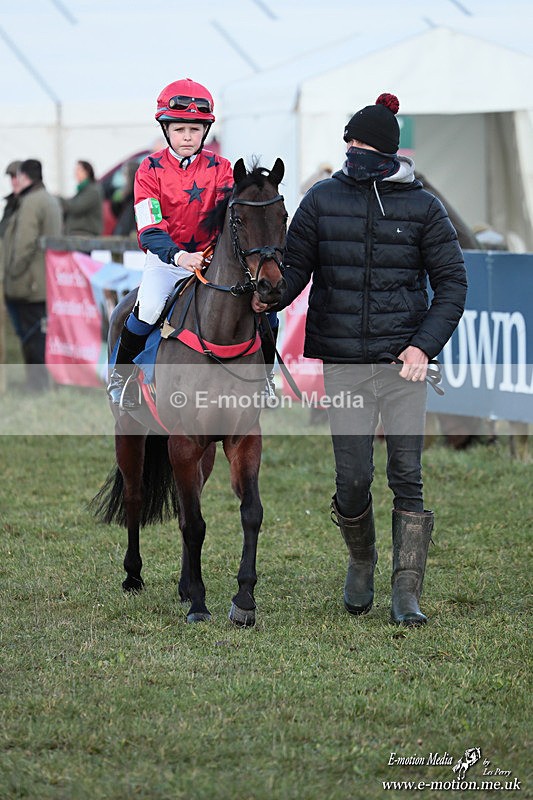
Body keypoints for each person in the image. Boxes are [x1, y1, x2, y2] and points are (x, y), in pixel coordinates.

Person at [253, 93, 467, 626]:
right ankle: (361, 559)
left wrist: (422, 346)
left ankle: (406, 590)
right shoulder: (321, 199)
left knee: (407, 474)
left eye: (361, 145)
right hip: (344, 364)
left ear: (386, 152)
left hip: (403, 366)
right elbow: (295, 271)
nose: (353, 152)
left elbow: (452, 284)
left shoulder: (424, 207)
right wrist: (269, 297)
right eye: (348, 143)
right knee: (351, 479)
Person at [107, 77, 235, 407]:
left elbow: (229, 221)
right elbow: (150, 228)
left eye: (195, 129)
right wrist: (180, 257)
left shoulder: (223, 168)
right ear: (166, 129)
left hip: (211, 260)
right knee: (149, 307)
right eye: (179, 129)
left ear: (205, 131)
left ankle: (263, 381)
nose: (187, 136)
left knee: (258, 308)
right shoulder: (148, 170)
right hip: (167, 261)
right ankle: (120, 377)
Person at [3, 159, 63, 391]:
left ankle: (36, 386)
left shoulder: (31, 202)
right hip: (43, 279)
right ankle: (40, 383)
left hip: (29, 281)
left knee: (32, 337)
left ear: (24, 176)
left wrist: (12, 273)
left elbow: (24, 245)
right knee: (39, 334)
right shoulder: (49, 199)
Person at [60, 160, 103, 237]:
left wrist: (59, 200)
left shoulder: (92, 191)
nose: (75, 173)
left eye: (79, 170)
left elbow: (76, 207)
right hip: (77, 233)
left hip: (85, 234)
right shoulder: (82, 191)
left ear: (87, 172)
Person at [0, 160, 23, 238]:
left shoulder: (30, 202)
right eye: (12, 177)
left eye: (17, 177)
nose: (14, 182)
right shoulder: (10, 203)